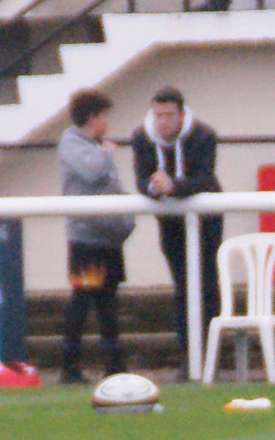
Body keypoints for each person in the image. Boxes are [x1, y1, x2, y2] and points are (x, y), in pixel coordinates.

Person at [131, 86, 223, 379]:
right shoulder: (141, 137)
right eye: (158, 115)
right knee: (183, 286)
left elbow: (204, 177)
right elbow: (141, 179)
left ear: (181, 115)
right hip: (170, 222)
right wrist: (155, 187)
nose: (163, 121)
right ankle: (188, 356)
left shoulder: (204, 135)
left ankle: (212, 357)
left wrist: (174, 185)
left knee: (207, 284)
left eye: (169, 115)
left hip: (206, 220)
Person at [57, 88, 134, 384]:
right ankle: (69, 366)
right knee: (82, 299)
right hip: (87, 240)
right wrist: (105, 153)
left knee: (107, 303)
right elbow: (92, 172)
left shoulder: (95, 145)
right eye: (104, 115)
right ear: (92, 117)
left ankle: (114, 364)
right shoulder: (72, 143)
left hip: (108, 239)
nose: (107, 122)